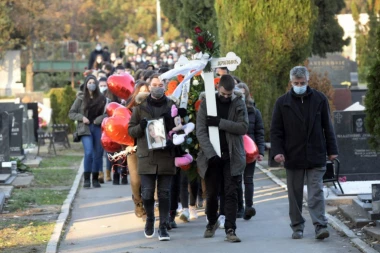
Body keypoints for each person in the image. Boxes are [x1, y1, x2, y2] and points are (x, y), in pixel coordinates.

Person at [270, 66, 338, 240]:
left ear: (308, 81)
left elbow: (327, 126)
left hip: (315, 153)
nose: (299, 85)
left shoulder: (319, 99)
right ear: (290, 82)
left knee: (316, 192)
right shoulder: (282, 102)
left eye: (302, 83)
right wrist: (277, 152)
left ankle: (320, 225)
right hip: (293, 155)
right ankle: (297, 226)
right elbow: (276, 131)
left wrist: (332, 150)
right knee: (295, 194)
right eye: (296, 83)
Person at [196, 74, 248, 243]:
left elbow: (243, 127)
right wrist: (210, 154)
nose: (226, 97)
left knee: (231, 192)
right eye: (223, 94)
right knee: (211, 194)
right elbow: (201, 131)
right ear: (218, 88)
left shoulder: (238, 103)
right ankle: (212, 222)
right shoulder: (207, 104)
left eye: (229, 94)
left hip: (232, 156)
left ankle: (230, 229)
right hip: (211, 157)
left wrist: (220, 122)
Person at [128, 73, 176, 241]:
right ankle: (150, 218)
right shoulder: (139, 107)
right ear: (149, 87)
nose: (158, 87)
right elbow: (131, 130)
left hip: (165, 155)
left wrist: (173, 141)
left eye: (161, 84)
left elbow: (180, 128)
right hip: (146, 155)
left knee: (164, 194)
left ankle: (163, 226)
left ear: (165, 87)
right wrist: (140, 127)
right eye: (154, 84)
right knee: (147, 193)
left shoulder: (172, 105)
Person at [69, 75, 107, 188]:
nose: (92, 84)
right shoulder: (80, 98)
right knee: (89, 152)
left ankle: (95, 178)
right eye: (89, 82)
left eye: (93, 82)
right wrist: (82, 118)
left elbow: (107, 113)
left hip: (97, 128)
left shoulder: (102, 98)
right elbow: (71, 113)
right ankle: (86, 179)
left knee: (98, 154)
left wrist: (99, 120)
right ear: (86, 84)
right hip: (85, 129)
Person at [236, 83, 265, 220]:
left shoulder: (254, 111)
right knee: (236, 179)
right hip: (235, 149)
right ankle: (239, 207)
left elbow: (259, 132)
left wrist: (261, 151)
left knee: (248, 179)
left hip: (250, 150)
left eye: (243, 94)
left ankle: (249, 207)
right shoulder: (233, 111)